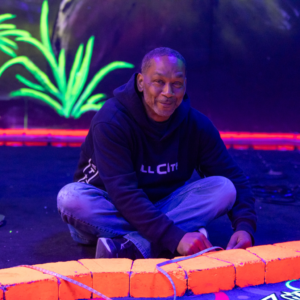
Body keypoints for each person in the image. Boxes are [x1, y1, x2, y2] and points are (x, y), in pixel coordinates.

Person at [57, 47, 256, 259]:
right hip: (110, 207)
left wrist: (245, 226)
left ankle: (131, 246)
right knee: (71, 199)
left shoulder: (196, 125)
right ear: (141, 83)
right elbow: (123, 193)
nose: (168, 92)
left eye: (176, 84)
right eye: (159, 82)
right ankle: (160, 240)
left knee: (224, 188)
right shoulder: (112, 120)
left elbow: (232, 176)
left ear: (184, 86)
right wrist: (175, 237)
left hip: (163, 207)